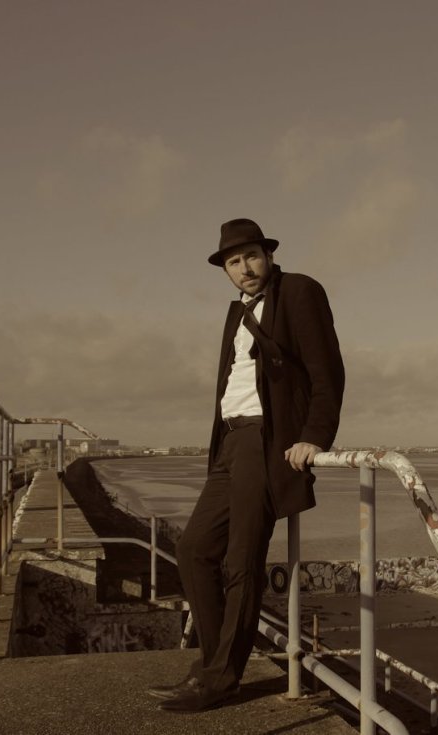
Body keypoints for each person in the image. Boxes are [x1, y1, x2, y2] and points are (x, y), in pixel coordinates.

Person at [151, 217, 345, 712]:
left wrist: (314, 437)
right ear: (225, 270)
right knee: (193, 549)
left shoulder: (299, 292)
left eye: (252, 256)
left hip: (266, 439)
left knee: (241, 561)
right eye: (234, 262)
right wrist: (219, 448)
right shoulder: (235, 312)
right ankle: (213, 664)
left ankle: (220, 679)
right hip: (230, 443)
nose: (245, 268)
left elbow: (327, 371)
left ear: (269, 255)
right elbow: (230, 383)